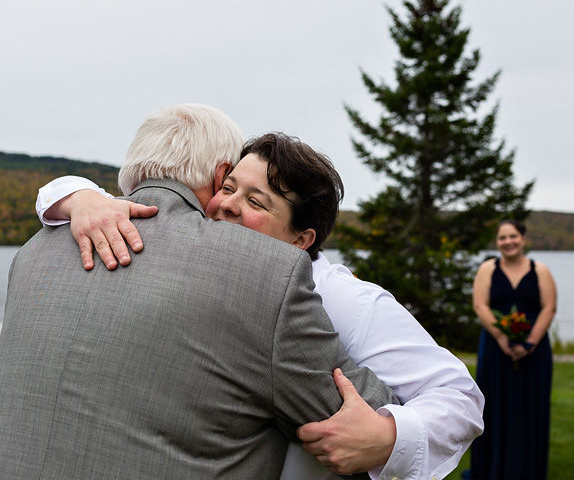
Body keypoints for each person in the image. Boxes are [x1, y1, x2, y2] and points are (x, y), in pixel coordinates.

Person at [0, 104, 399, 480]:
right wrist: (405, 423)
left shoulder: (38, 248)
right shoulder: (266, 270)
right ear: (222, 173)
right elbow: (350, 415)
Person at [36, 132, 485, 480]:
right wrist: (80, 197)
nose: (227, 205)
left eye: (255, 201)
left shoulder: (349, 301)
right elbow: (67, 192)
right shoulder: (194, 262)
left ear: (301, 239)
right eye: (228, 187)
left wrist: (388, 436)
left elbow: (460, 400)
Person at [467, 220, 557, 480]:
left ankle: (528, 470)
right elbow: (481, 306)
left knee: (531, 407)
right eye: (502, 237)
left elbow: (548, 308)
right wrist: (502, 337)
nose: (508, 242)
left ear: (523, 238)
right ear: (497, 242)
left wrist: (530, 342)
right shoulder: (487, 269)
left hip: (535, 351)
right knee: (494, 407)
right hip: (495, 349)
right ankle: (492, 470)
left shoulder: (540, 270)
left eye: (513, 236)